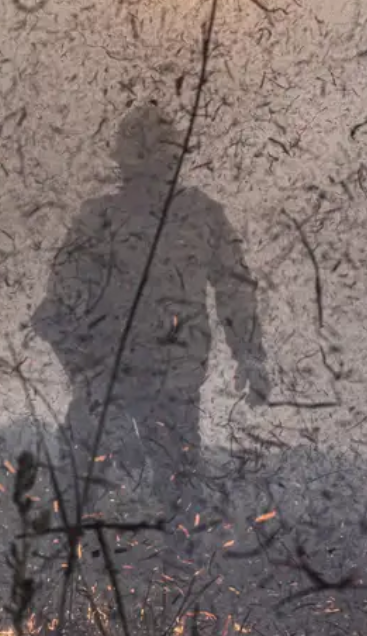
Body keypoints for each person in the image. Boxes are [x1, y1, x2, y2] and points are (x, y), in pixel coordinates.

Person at [31, 103, 270, 516]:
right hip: (114, 389)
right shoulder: (101, 219)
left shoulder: (199, 216)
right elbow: (54, 314)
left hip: (164, 389)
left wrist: (250, 355)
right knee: (78, 507)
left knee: (178, 509)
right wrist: (90, 380)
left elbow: (235, 288)